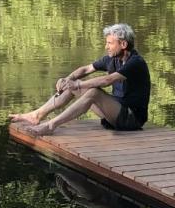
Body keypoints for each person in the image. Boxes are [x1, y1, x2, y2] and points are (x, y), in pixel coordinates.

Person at [9, 23, 150, 136]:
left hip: (132, 119)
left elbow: (108, 80)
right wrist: (68, 79)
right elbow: (85, 69)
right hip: (115, 114)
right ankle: (36, 115)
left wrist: (78, 84)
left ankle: (50, 125)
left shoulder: (135, 62)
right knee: (73, 86)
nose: (106, 47)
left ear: (123, 45)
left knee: (93, 92)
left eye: (110, 43)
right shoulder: (111, 59)